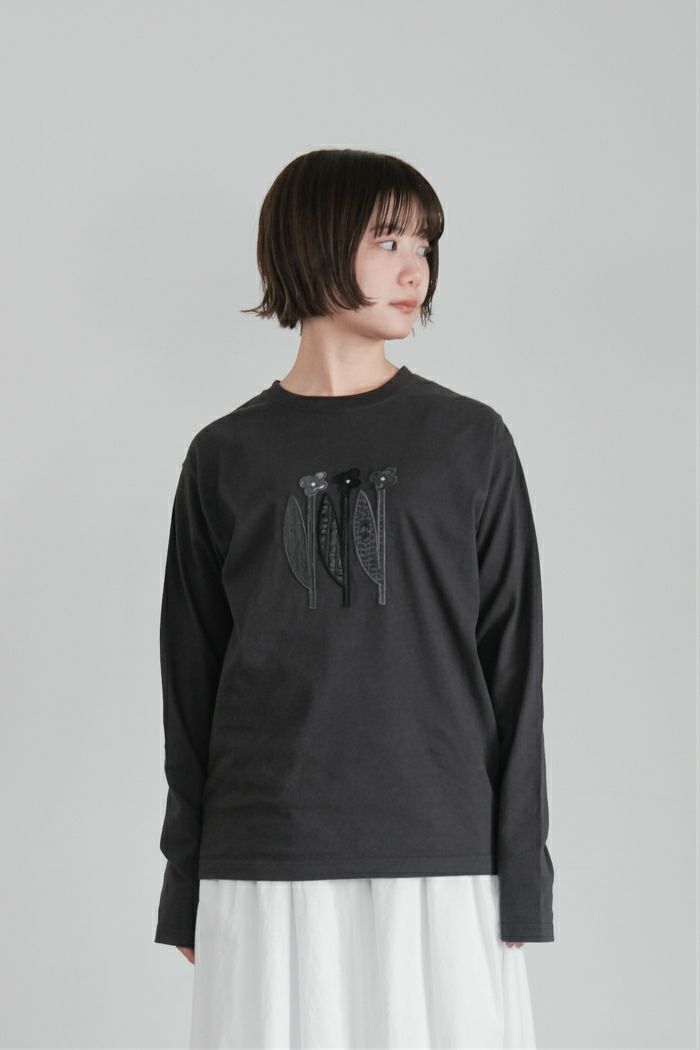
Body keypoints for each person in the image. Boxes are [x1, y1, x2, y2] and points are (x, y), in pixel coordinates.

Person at [154, 147, 555, 1049]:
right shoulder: (224, 456)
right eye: (388, 240)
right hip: (265, 856)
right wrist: (184, 883)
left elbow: (515, 668)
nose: (417, 270)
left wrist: (522, 873)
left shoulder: (470, 441)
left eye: (426, 244)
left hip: (439, 855)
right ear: (312, 242)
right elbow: (191, 684)